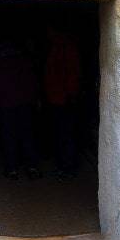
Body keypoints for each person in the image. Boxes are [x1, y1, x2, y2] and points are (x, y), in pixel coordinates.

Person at [0, 38, 42, 180]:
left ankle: (12, 169)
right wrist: (35, 100)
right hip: (25, 105)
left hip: (5, 105)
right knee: (28, 136)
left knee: (8, 137)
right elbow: (33, 83)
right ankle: (32, 167)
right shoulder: (25, 62)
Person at [44, 25, 81, 180]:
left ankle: (68, 169)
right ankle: (62, 167)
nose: (47, 34)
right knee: (60, 134)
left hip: (64, 99)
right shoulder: (57, 48)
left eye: (49, 31)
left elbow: (72, 74)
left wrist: (71, 96)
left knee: (65, 135)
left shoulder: (66, 49)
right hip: (57, 98)